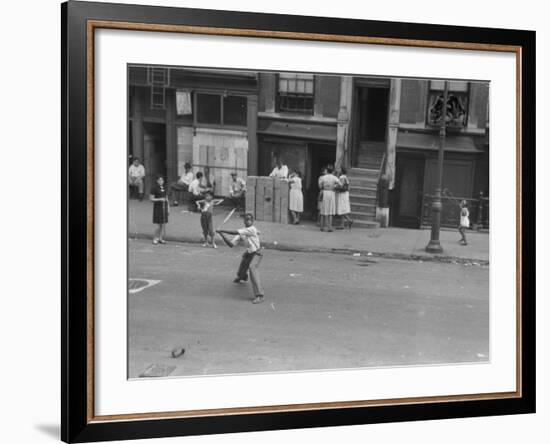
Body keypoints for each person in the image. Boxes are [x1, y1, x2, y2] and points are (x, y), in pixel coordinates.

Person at [217, 213, 265, 304]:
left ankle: (259, 295)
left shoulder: (252, 229)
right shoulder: (242, 232)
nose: (248, 221)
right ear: (244, 221)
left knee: (252, 268)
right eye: (246, 220)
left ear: (253, 221)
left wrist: (222, 230)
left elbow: (235, 232)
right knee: (241, 271)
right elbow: (231, 245)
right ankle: (242, 277)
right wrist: (221, 234)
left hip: (257, 253)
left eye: (250, 220)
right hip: (249, 253)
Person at [318, 165, 340, 232]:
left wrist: (324, 186)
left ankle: (321, 227)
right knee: (330, 210)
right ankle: (329, 227)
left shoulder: (323, 177)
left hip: (325, 192)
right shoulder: (334, 177)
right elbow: (340, 184)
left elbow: (320, 186)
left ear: (327, 170)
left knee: (323, 210)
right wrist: (334, 186)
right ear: (332, 171)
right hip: (331, 193)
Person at [150, 175, 169, 245]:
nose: (161, 181)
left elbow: (166, 198)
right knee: (158, 225)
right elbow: (151, 199)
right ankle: (155, 238)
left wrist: (168, 208)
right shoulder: (154, 188)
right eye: (160, 180)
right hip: (157, 208)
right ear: (157, 181)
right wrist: (160, 199)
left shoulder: (164, 187)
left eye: (162, 180)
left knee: (162, 224)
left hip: (164, 207)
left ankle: (160, 238)